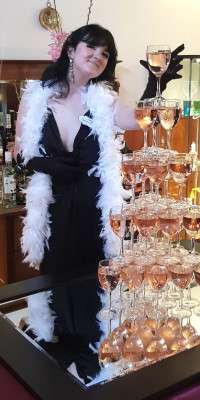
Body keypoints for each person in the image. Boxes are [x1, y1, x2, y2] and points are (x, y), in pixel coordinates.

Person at [15, 23, 184, 342]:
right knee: (55, 277)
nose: (98, 56)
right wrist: (47, 164)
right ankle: (61, 344)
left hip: (96, 210)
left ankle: (94, 349)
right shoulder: (37, 96)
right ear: (71, 50)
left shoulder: (103, 98)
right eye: (91, 47)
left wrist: (155, 84)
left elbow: (136, 120)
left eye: (105, 53)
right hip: (53, 208)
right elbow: (22, 151)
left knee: (96, 277)